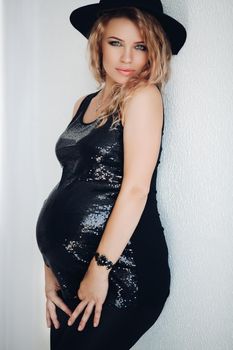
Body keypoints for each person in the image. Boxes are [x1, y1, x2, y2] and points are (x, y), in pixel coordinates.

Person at [36, 0, 187, 349]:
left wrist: (100, 269)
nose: (127, 58)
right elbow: (70, 182)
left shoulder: (142, 96)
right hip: (71, 273)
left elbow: (135, 189)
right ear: (99, 42)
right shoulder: (83, 104)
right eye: (116, 43)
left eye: (140, 46)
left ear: (153, 53)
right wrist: (50, 269)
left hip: (122, 271)